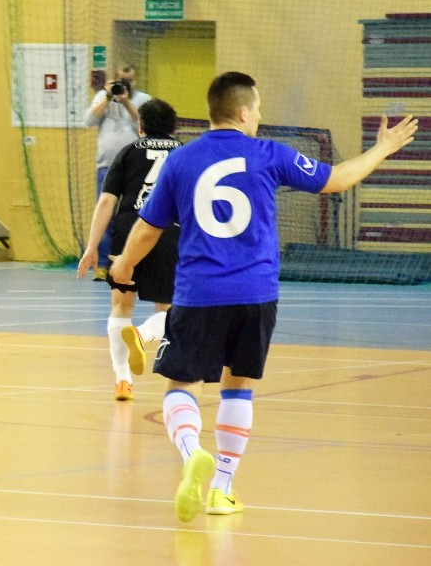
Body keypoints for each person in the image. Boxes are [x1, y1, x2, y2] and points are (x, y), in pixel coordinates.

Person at [109, 71, 418, 523]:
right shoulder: (270, 154)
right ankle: (223, 489)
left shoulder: (182, 160)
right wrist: (383, 148)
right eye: (257, 108)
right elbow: (337, 180)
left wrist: (123, 266)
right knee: (238, 390)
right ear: (242, 111)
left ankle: (193, 450)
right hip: (255, 293)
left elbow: (148, 229)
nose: (260, 115)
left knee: (182, 386)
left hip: (198, 294)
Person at [76, 98, 181, 402]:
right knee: (170, 309)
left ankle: (123, 379)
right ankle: (149, 339)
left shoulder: (127, 152)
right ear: (173, 126)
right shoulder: (184, 152)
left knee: (121, 306)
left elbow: (107, 201)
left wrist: (92, 246)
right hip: (169, 232)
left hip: (129, 231)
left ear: (140, 126)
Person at [83, 64, 151, 281]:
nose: (126, 84)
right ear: (114, 79)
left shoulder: (142, 99)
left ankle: (134, 261)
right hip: (107, 165)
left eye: (130, 80)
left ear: (136, 81)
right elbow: (88, 120)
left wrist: (126, 101)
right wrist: (107, 96)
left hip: (136, 168)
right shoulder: (103, 97)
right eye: (122, 80)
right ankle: (102, 264)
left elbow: (145, 125)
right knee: (105, 215)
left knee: (134, 213)